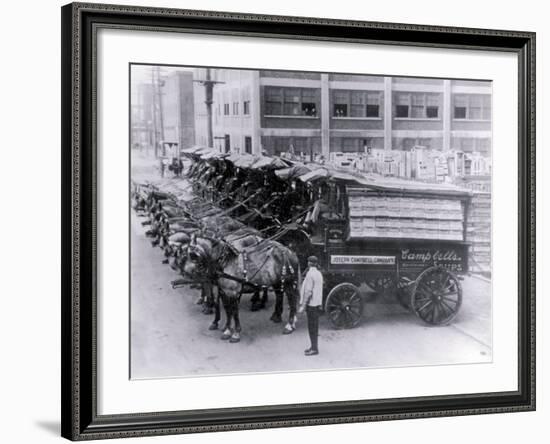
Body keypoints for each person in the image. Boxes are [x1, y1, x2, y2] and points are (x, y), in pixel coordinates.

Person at [298, 255, 323, 356]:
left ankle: (314, 349)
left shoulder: (310, 274)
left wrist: (303, 306)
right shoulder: (318, 274)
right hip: (317, 304)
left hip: (311, 305)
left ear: (309, 263)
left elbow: (308, 292)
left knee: (311, 327)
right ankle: (313, 347)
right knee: (315, 327)